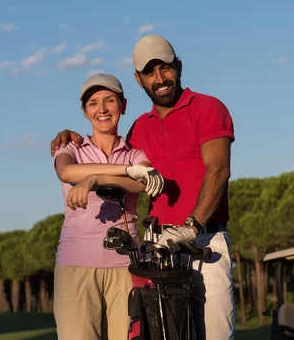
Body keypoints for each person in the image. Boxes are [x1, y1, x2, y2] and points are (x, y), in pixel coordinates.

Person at [50, 34, 236, 340]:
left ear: (178, 67)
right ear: (139, 80)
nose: (160, 78)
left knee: (215, 333)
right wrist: (73, 135)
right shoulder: (140, 128)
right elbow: (105, 159)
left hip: (203, 239)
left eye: (165, 68)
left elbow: (218, 170)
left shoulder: (207, 107)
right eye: (150, 72)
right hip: (158, 247)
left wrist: (191, 226)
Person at [52, 73, 165, 340]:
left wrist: (94, 178)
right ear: (85, 111)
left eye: (109, 100)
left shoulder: (136, 154)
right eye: (93, 103)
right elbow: (67, 172)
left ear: (123, 106)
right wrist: (125, 171)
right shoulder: (70, 148)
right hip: (75, 265)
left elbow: (142, 183)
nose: (101, 109)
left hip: (126, 267)